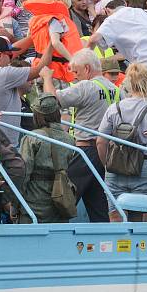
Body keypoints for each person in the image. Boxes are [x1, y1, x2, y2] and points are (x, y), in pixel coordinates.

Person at [41, 49, 118, 222]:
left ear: (87, 69)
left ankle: (51, 239)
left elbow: (50, 103)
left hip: (85, 152)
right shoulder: (115, 89)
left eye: (76, 71)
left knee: (62, 199)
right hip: (106, 155)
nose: (74, 76)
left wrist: (47, 78)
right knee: (99, 208)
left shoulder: (86, 86)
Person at [96, 62, 147, 221]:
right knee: (145, 218)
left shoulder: (114, 108)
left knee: (116, 217)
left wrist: (107, 165)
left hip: (116, 169)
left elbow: (100, 142)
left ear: (128, 83)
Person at [0, 36, 55, 144]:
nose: (11, 59)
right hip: (6, 144)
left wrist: (33, 36)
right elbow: (40, 69)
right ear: (0, 55)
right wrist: (52, 42)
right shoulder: (3, 74)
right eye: (9, 56)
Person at [14, 94, 76, 223]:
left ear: (38, 115)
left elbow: (23, 174)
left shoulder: (32, 138)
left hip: (34, 202)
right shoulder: (69, 139)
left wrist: (15, 205)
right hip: (61, 200)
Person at [14, 0, 83, 85]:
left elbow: (32, 39)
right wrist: (72, 60)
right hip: (54, 71)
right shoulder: (55, 20)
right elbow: (55, 43)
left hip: (38, 67)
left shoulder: (36, 20)